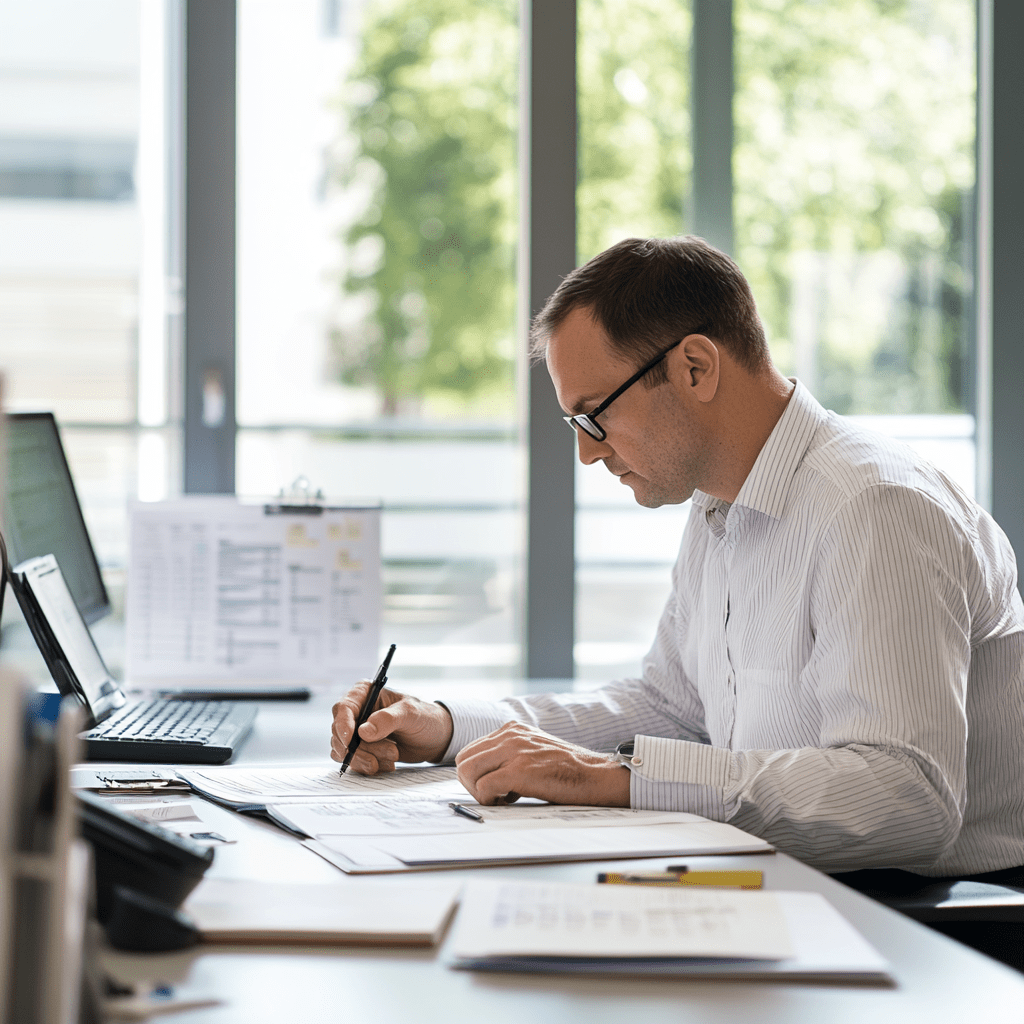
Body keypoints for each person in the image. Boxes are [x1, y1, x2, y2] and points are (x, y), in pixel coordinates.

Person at [331, 236, 1024, 876]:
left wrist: (619, 780)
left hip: (927, 928)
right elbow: (672, 708)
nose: (586, 450)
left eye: (595, 414)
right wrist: (450, 726)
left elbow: (907, 798)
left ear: (694, 366)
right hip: (786, 889)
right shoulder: (720, 505)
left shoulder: (876, 509)